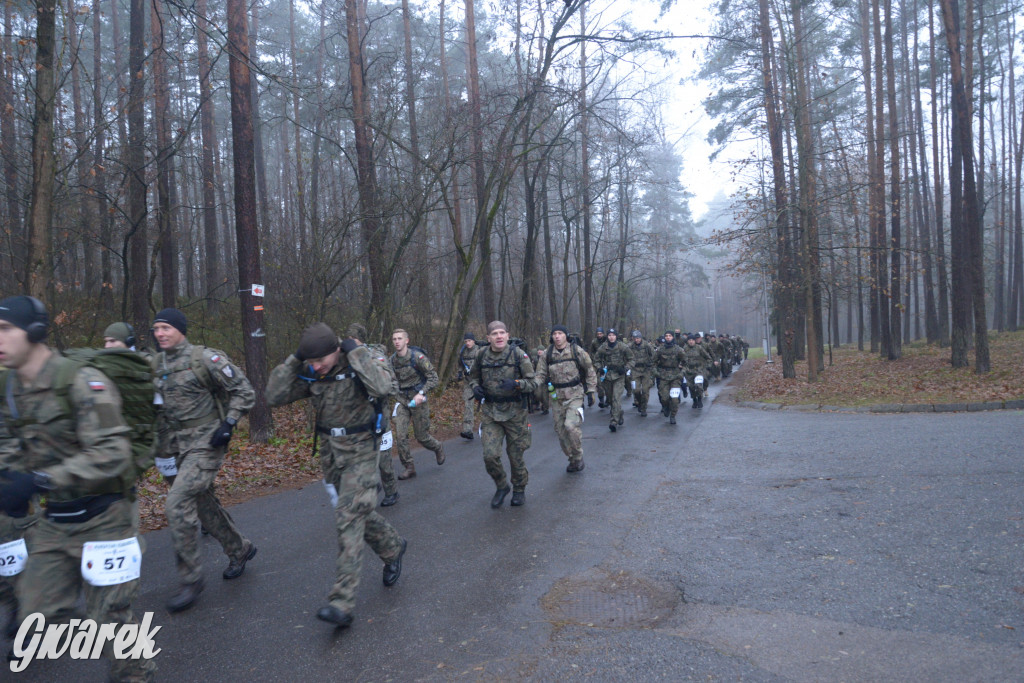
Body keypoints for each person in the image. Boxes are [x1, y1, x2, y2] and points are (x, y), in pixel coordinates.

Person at [0, 295, 155, 681]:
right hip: (57, 520)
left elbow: (113, 452)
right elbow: (9, 445)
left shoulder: (81, 380)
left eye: (4, 330)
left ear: (34, 333)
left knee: (109, 622)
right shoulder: (9, 389)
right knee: (32, 612)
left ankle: (136, 673)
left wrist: (41, 480)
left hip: (107, 517)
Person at [266, 323, 406, 629]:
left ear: (335, 351)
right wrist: (295, 358)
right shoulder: (312, 369)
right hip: (331, 453)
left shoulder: (361, 360)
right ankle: (393, 546)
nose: (316, 367)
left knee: (348, 516)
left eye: (321, 360)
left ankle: (342, 601)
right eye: (311, 362)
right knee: (357, 512)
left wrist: (355, 352)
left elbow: (384, 388)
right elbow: (274, 395)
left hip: (361, 450)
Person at [151, 308, 257, 613]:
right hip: (175, 446)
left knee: (177, 502)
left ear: (180, 330)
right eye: (156, 328)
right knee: (201, 503)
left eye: (166, 328)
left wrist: (230, 423)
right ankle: (240, 548)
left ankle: (191, 580)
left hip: (207, 441)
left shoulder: (204, 359)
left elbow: (244, 390)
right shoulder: (156, 364)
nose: (160, 334)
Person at [467, 321, 537, 507]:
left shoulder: (518, 355)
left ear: (507, 335)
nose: (499, 336)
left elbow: (533, 383)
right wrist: (475, 388)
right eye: (494, 333)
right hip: (491, 412)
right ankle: (501, 485)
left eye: (502, 333)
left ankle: (519, 489)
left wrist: (517, 384)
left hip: (515, 413)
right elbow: (472, 377)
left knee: (515, 455)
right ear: (488, 337)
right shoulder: (481, 355)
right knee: (490, 456)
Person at [341, 324, 401, 508]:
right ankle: (372, 485)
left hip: (378, 415)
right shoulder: (346, 358)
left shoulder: (375, 356)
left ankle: (391, 491)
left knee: (383, 459)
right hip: (357, 417)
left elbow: (391, 386)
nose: (350, 342)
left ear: (360, 339)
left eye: (353, 338)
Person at [534, 325, 596, 472]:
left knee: (570, 426)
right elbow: (540, 374)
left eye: (560, 333)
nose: (557, 336)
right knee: (561, 432)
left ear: (566, 336)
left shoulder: (576, 351)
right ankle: (572, 458)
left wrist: (591, 390)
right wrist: (533, 386)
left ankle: (578, 456)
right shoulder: (547, 354)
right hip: (557, 397)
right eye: (554, 334)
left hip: (575, 394)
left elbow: (589, 369)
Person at [389, 329, 444, 479]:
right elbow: (390, 381)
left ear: (407, 340)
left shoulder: (417, 357)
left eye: (400, 338)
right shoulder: (392, 361)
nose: (397, 341)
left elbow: (433, 378)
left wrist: (422, 393)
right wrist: (394, 394)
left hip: (418, 399)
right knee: (400, 435)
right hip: (402, 401)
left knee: (421, 436)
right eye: (394, 339)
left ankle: (437, 447)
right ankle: (409, 466)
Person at [594, 328, 634, 432]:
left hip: (619, 376)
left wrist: (625, 368)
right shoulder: (603, 347)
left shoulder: (622, 347)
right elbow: (596, 359)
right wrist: (600, 368)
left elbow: (632, 359)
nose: (611, 337)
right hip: (607, 376)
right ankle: (619, 413)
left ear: (616, 336)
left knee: (616, 398)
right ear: (607, 336)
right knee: (611, 399)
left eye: (613, 335)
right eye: (609, 335)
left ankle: (614, 421)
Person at [653, 330, 687, 424]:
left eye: (670, 336)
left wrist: (682, 373)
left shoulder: (678, 350)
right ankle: (666, 406)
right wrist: (656, 373)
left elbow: (685, 363)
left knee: (675, 399)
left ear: (673, 337)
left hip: (675, 376)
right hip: (663, 376)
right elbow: (653, 363)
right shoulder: (660, 349)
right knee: (664, 398)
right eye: (666, 336)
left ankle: (673, 415)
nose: (668, 337)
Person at [457, 333, 481, 439]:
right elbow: (460, 363)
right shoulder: (463, 351)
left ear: (473, 341)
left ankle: (490, 427)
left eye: (469, 341)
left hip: (479, 381)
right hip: (468, 381)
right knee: (468, 404)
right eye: (466, 341)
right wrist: (459, 373)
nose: (467, 343)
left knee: (486, 404)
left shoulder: (480, 351)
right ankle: (468, 430)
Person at [629, 330, 657, 417]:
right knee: (636, 390)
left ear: (640, 338)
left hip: (646, 370)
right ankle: (640, 402)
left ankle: (643, 408)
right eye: (635, 338)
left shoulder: (647, 346)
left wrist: (651, 364)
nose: (636, 340)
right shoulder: (630, 346)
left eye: (638, 338)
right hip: (635, 370)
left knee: (645, 390)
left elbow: (654, 356)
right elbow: (626, 356)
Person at [684, 334, 714, 409]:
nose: (691, 342)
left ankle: (699, 399)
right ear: (687, 341)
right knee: (691, 387)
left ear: (694, 341)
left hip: (699, 370)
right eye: (689, 340)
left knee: (698, 386)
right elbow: (681, 359)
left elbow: (708, 358)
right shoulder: (684, 349)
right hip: (689, 371)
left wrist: (707, 366)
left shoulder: (699, 348)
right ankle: (694, 400)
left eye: (692, 340)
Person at [588, 327, 607, 407]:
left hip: (607, 363)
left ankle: (609, 399)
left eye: (600, 333)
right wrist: (594, 359)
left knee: (608, 383)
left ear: (603, 333)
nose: (599, 335)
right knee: (599, 383)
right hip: (598, 364)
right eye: (598, 334)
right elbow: (591, 351)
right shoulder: (594, 342)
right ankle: (601, 400)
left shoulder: (607, 341)